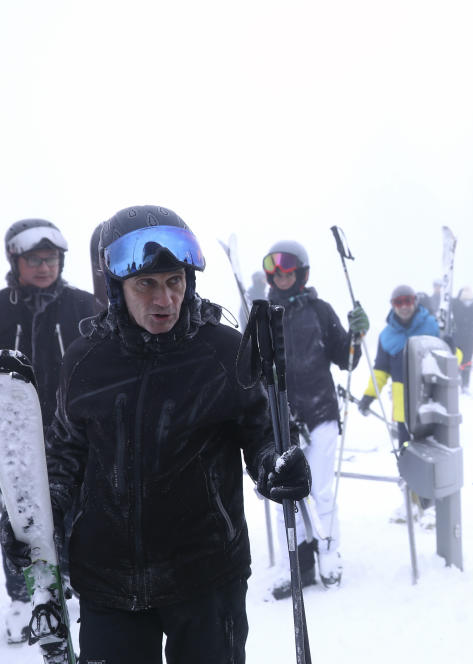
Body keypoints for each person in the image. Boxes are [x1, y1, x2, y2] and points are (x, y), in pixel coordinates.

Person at [1, 205, 311, 663]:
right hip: (109, 582)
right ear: (117, 286)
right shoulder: (87, 362)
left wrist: (276, 468)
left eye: (174, 282)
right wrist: (36, 522)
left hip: (206, 577)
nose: (164, 299)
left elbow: (261, 437)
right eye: (145, 284)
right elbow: (65, 456)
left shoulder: (223, 352)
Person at [0, 218, 99, 644]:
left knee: (76, 514)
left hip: (71, 433)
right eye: (34, 259)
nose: (44, 266)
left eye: (51, 258)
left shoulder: (82, 306)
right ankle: (24, 600)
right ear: (15, 261)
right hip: (13, 439)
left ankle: (73, 587)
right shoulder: (2, 307)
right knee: (18, 522)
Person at [262, 240, 368, 595]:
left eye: (288, 268)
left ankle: (328, 554)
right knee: (284, 495)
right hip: (282, 419)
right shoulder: (262, 314)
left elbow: (347, 359)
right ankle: (297, 564)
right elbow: (253, 368)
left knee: (321, 490)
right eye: (275, 269)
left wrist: (356, 334)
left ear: (302, 272)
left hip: (320, 412)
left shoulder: (320, 311)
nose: (281, 275)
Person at [357, 284, 439, 450]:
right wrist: (369, 396)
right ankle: (405, 476)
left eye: (407, 301)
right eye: (398, 302)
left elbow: (452, 359)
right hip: (403, 410)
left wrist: (452, 348)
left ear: (415, 301)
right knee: (407, 452)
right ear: (392, 305)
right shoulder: (387, 336)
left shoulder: (432, 325)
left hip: (429, 403)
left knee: (432, 454)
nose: (403, 307)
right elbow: (380, 371)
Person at [450, 286, 473, 394]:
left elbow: (449, 319)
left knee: (457, 361)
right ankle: (464, 385)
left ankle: (458, 384)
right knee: (466, 361)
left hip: (457, 336)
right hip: (467, 337)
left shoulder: (455, 303)